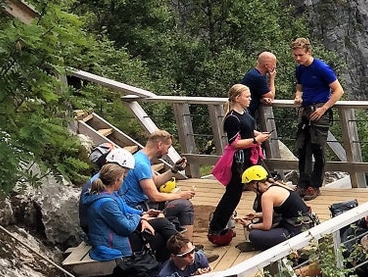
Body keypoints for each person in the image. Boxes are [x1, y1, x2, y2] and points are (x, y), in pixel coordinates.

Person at [208, 84, 270, 245]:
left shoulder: (245, 112)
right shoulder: (232, 118)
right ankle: (216, 227)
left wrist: (258, 135)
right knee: (233, 193)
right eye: (247, 96)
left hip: (252, 155)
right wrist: (256, 140)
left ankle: (267, 216)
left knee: (264, 184)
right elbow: (234, 143)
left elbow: (248, 130)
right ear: (237, 98)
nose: (250, 99)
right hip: (240, 159)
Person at [82, 164, 159, 277]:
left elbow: (124, 211)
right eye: (123, 177)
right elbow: (126, 228)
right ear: (117, 180)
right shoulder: (106, 203)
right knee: (157, 235)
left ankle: (175, 260)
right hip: (111, 245)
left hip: (114, 236)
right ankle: (167, 267)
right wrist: (139, 218)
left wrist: (142, 213)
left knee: (159, 225)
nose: (124, 180)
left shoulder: (109, 194)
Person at [118, 130, 196, 247]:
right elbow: (154, 196)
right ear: (160, 145)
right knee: (184, 205)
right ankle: (187, 248)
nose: (167, 151)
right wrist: (180, 195)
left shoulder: (141, 157)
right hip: (138, 208)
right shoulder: (141, 164)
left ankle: (186, 246)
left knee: (179, 205)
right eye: (168, 147)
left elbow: (156, 182)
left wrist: (174, 169)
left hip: (142, 205)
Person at [290, 37, 341, 200]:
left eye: (300, 55)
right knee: (303, 148)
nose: (298, 59)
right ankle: (303, 183)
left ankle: (315, 185)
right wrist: (298, 96)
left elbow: (338, 90)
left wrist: (324, 108)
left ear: (308, 52)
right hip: (306, 110)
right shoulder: (300, 69)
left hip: (319, 110)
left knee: (317, 148)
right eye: (295, 55)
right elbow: (300, 86)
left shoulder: (321, 68)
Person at [240, 165, 317, 249]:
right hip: (304, 222)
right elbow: (280, 211)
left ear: (255, 183)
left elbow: (266, 226)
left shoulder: (267, 196)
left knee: (254, 235)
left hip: (296, 230)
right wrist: (257, 215)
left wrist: (249, 225)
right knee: (263, 225)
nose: (250, 189)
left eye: (248, 186)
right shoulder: (277, 185)